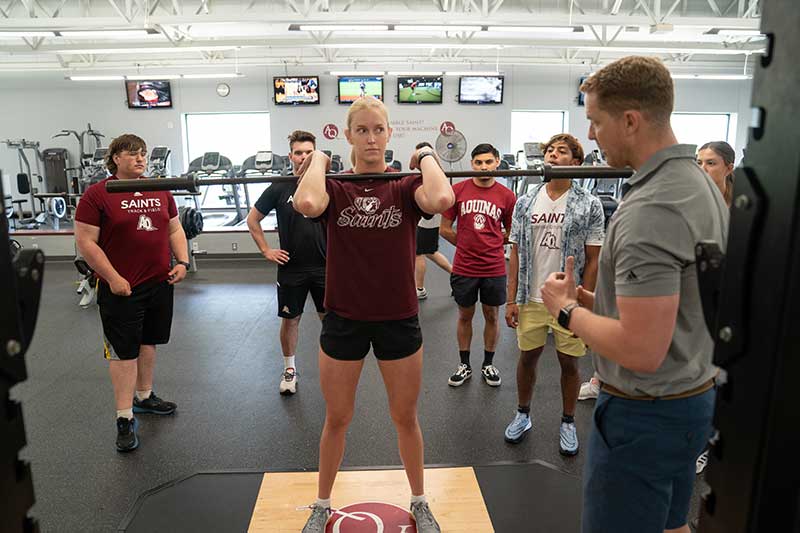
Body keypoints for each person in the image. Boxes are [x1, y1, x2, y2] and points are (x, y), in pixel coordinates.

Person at [540, 56, 728, 533]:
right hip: (691, 397)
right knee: (672, 525)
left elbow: (642, 348)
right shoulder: (698, 183)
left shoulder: (653, 207)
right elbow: (673, 305)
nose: (592, 136)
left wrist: (564, 313)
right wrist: (586, 299)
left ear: (629, 120)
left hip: (644, 415)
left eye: (595, 122)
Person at [293, 96, 454, 533]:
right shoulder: (336, 188)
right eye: (361, 130)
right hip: (343, 318)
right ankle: (322, 504)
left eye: (378, 129)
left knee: (405, 417)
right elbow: (307, 204)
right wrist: (321, 159)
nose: (370, 137)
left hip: (398, 318)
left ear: (389, 134)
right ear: (348, 136)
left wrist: (425, 155)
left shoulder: (403, 187)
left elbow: (441, 197)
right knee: (337, 418)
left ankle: (420, 501)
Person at [74, 134, 190, 453]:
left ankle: (144, 397)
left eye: (143, 153)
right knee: (123, 352)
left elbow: (174, 228)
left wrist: (182, 260)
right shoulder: (98, 194)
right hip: (121, 287)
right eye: (132, 154)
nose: (140, 159)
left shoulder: (159, 188)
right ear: (115, 159)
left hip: (158, 282)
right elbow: (85, 241)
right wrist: (111, 277)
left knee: (148, 342)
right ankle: (124, 418)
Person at [503, 134, 605, 456]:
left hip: (566, 300)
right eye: (550, 150)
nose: (553, 155)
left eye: (562, 152)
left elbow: (593, 260)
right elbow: (516, 253)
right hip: (531, 297)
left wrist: (580, 303)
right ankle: (522, 414)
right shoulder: (526, 201)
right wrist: (511, 299)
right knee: (527, 358)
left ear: (576, 162)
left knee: (569, 364)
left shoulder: (589, 204)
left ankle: (568, 420)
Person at [246, 130, 326, 395]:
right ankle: (290, 369)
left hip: (325, 266)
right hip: (292, 267)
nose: (303, 157)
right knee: (291, 319)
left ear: (315, 154)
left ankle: (333, 367)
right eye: (299, 152)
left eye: (308, 152)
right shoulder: (280, 186)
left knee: (332, 321)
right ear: (291, 155)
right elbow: (252, 220)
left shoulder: (327, 183)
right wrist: (266, 250)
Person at [440, 143, 516, 387]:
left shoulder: (507, 195)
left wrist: (492, 243)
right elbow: (444, 229)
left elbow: (511, 230)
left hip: (493, 267)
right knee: (465, 315)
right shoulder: (459, 190)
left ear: (496, 163)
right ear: (472, 164)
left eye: (488, 162)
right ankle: (465, 364)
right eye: (478, 162)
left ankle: (488, 364)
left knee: (491, 315)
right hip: (464, 266)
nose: (483, 166)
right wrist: (465, 244)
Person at [414, 141, 453, 300]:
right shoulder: (433, 172)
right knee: (430, 252)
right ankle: (456, 274)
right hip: (429, 220)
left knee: (419, 254)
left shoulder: (430, 173)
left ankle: (419, 288)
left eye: (421, 155)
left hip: (427, 220)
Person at [697, 141, 735, 206]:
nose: (702, 169)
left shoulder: (739, 204)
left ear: (729, 169)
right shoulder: (688, 198)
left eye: (710, 163)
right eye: (699, 163)